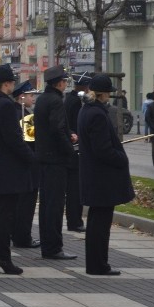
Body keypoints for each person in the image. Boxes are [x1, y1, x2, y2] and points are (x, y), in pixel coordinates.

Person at [0, 64, 36, 275]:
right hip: (7, 169)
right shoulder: (4, 105)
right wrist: (31, 157)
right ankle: (3, 258)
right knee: (4, 216)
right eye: (12, 82)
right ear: (6, 83)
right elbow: (13, 139)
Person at [78, 74, 135, 276]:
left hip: (94, 176)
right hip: (101, 178)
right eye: (108, 94)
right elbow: (102, 149)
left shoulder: (86, 110)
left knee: (96, 222)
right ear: (102, 94)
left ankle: (96, 264)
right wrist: (121, 158)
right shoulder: (97, 114)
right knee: (100, 226)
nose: (109, 98)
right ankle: (98, 265)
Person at [34, 66, 78, 261]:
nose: (66, 84)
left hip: (43, 158)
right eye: (65, 81)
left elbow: (49, 127)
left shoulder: (42, 100)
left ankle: (47, 244)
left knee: (46, 204)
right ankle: (53, 247)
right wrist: (70, 148)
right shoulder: (56, 101)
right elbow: (57, 129)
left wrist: (67, 134)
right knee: (55, 205)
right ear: (59, 83)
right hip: (56, 160)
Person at [12, 80, 41, 249]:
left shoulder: (15, 112)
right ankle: (23, 236)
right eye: (30, 95)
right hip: (28, 167)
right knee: (26, 205)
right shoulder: (25, 116)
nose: (33, 98)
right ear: (21, 97)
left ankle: (17, 233)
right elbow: (32, 142)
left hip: (17, 167)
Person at [64, 73, 91, 233]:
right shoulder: (76, 102)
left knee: (73, 189)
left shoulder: (70, 99)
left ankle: (74, 220)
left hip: (72, 149)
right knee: (75, 189)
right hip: (75, 150)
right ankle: (75, 221)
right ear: (84, 87)